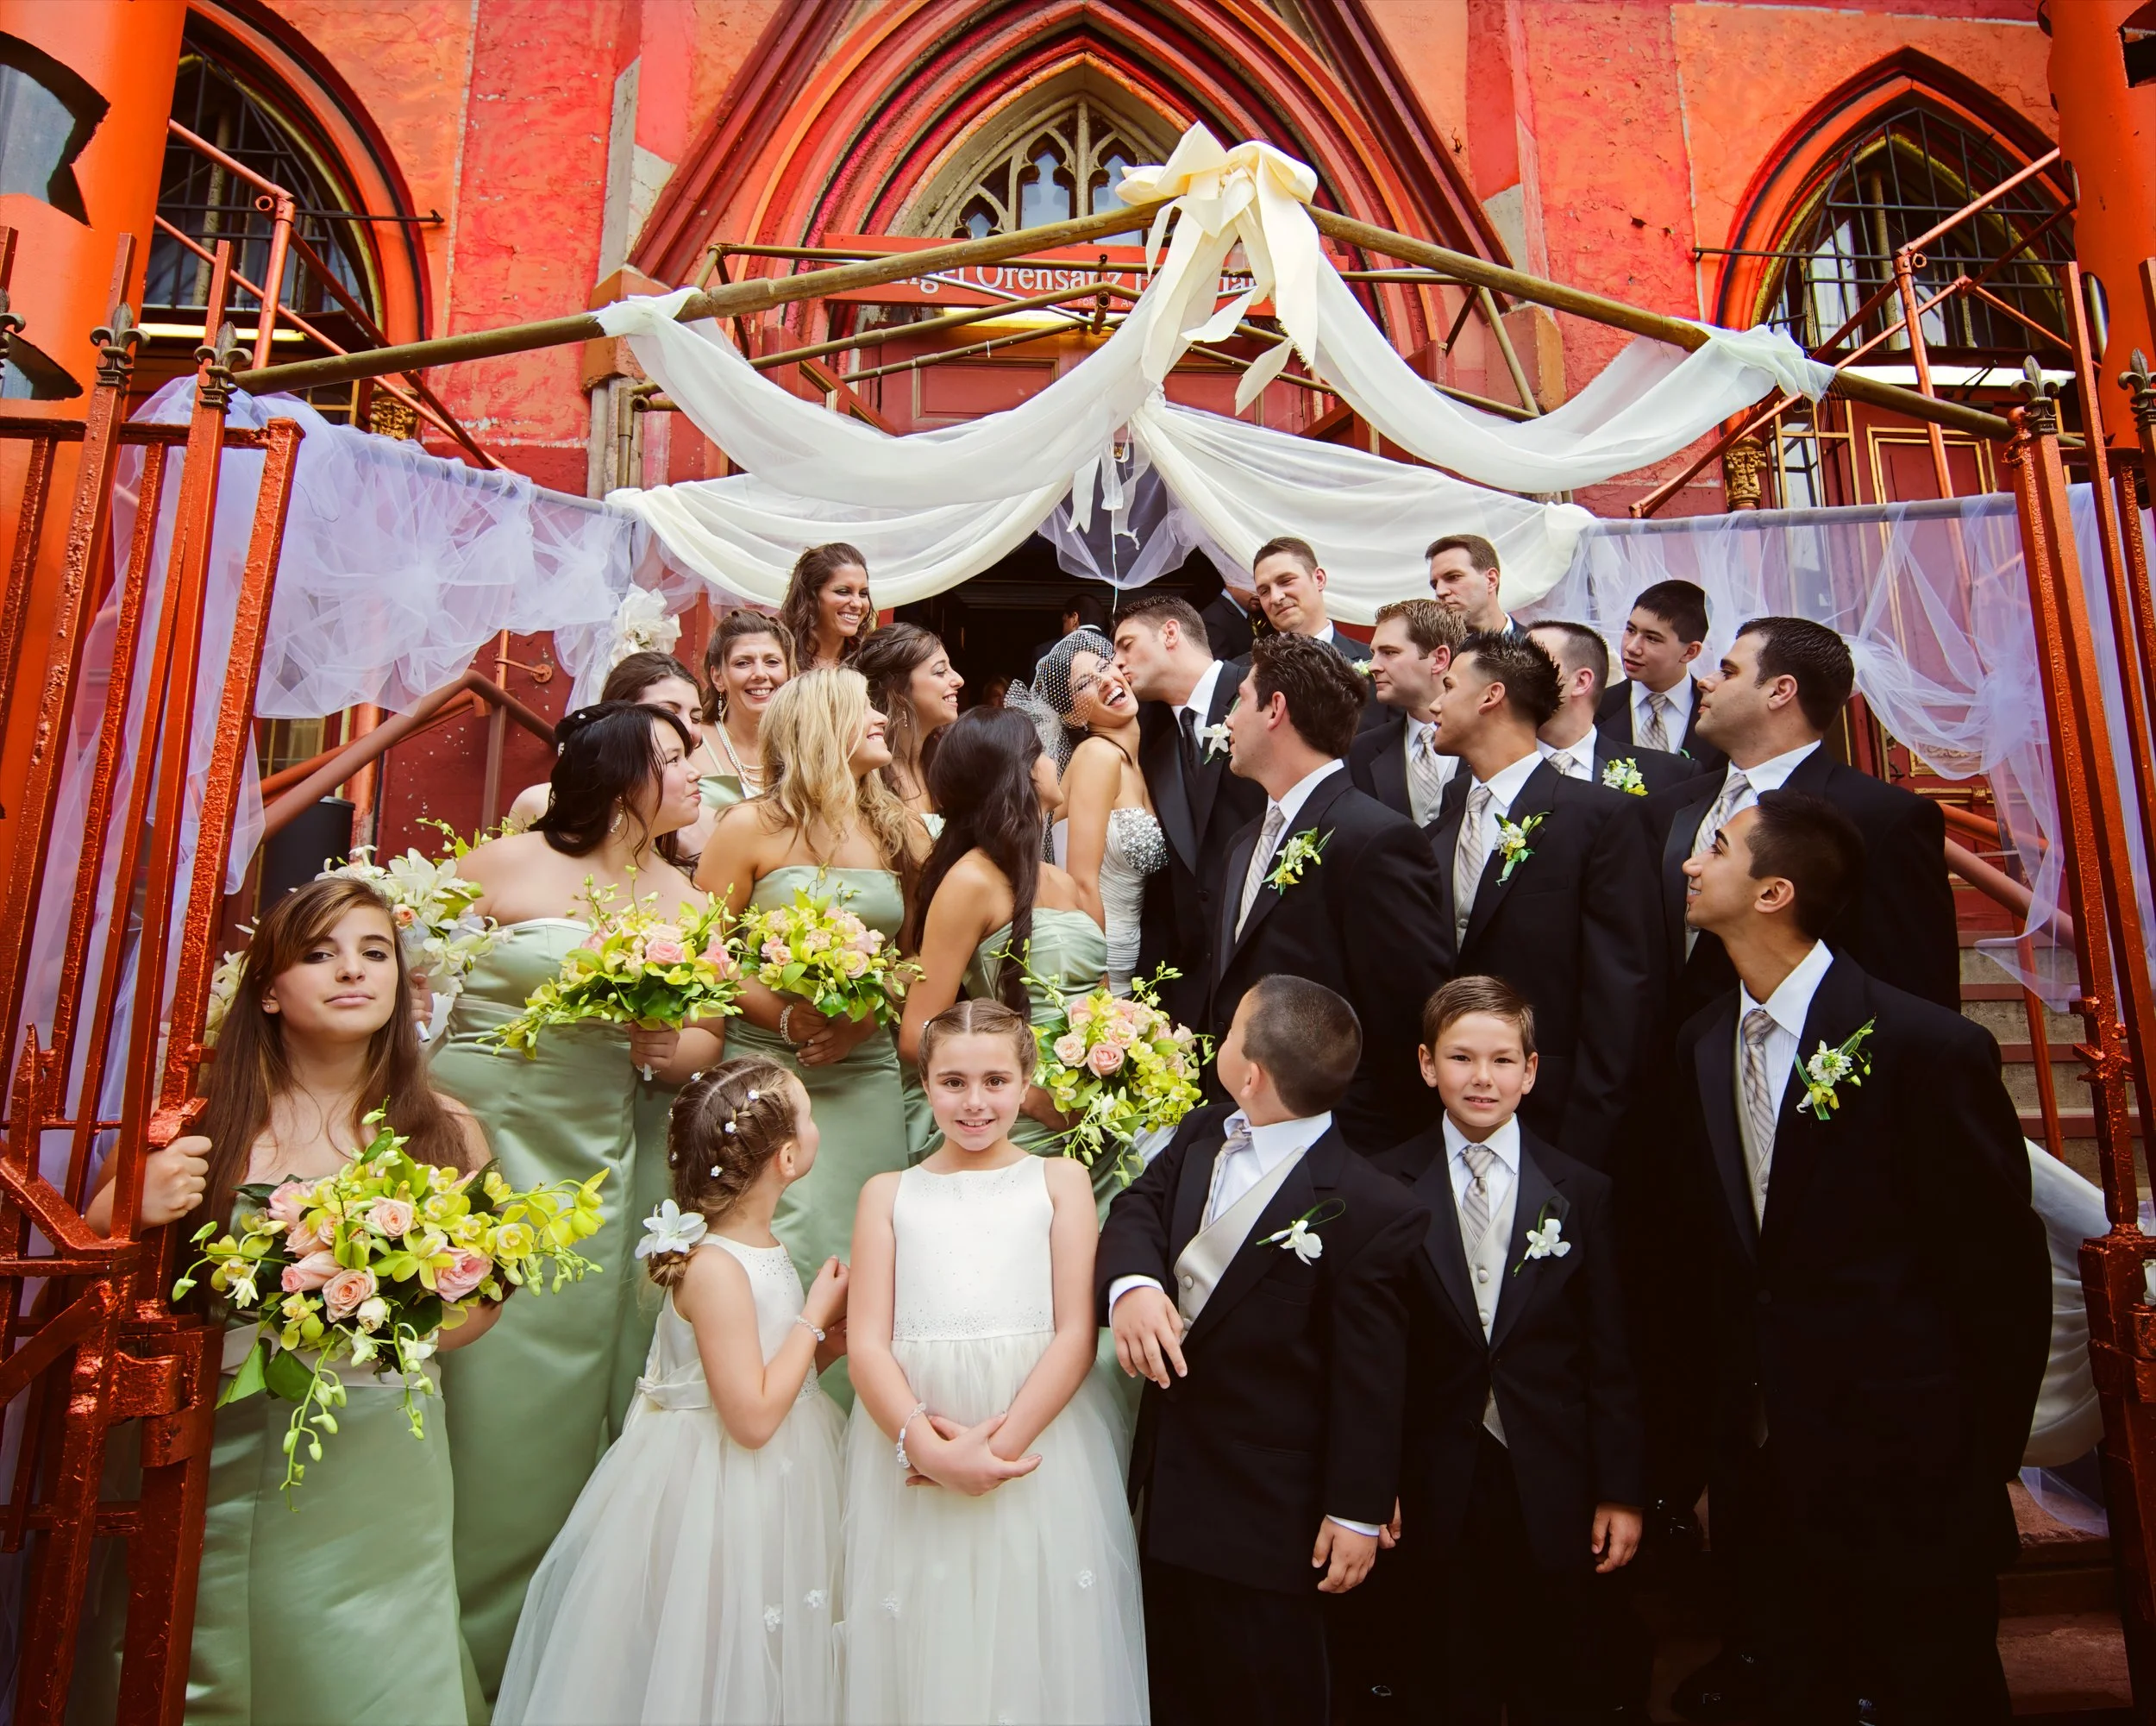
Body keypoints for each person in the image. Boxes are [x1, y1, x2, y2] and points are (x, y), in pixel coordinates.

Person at [77, 878, 498, 1726]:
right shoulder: (206, 1126)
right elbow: (89, 1285)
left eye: (374, 953)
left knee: (370, 1656)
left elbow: (477, 1312)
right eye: (320, 954)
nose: (353, 972)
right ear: (268, 990)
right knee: (210, 1642)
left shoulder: (443, 1128)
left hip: (382, 1447)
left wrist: (389, 1298)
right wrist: (130, 1205)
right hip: (225, 1434)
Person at [1673, 791, 2046, 1723]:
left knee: (1932, 1689)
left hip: (1908, 1461)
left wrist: (1974, 1460)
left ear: (1772, 892)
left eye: (1715, 847)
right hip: (1766, 1463)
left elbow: (1999, 1271)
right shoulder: (1700, 1042)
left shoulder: (1926, 1047)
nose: (1689, 863)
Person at [434, 700, 718, 1693]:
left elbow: (705, 1043)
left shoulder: (686, 902)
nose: (694, 776)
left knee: (545, 1393)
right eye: (675, 759)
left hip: (594, 1161)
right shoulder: (502, 867)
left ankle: (518, 1650)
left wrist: (665, 1046)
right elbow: (408, 987)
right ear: (619, 776)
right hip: (466, 1147)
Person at [1100, 976, 1427, 1726]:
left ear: (1252, 1073)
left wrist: (1357, 1509)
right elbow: (1138, 1206)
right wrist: (1133, 1283)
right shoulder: (1202, 1131)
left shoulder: (1373, 1209)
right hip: (1164, 1488)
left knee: (1263, 1692)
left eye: (1232, 1031)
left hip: (1269, 1517)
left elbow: (1373, 1377)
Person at [493, 1061, 849, 1726]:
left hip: (780, 1482)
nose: (816, 1128)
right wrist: (814, 1317)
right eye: (810, 1115)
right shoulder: (715, 1266)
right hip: (719, 1494)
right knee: (715, 1655)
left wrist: (824, 1348)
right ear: (789, 1155)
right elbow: (748, 1418)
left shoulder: (758, 1246)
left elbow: (769, 1379)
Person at [844, 1000, 1147, 1724]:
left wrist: (994, 1452)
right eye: (952, 1082)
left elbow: (1076, 1333)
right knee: (926, 1624)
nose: (975, 1102)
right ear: (923, 1082)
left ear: (1025, 1080)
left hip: (1032, 1435)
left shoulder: (1060, 1180)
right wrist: (931, 1449)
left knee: (1028, 1627)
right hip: (919, 1433)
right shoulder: (888, 1193)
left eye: (994, 1080)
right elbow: (865, 1343)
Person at [1373, 976, 1643, 1724]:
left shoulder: (1580, 1190)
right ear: (1428, 1064)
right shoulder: (1385, 1187)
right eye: (1461, 1057)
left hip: (1553, 1473)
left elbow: (1609, 1350)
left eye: (1501, 1059)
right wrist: (1371, 1478)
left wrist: (1620, 1486)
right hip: (1431, 1474)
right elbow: (1374, 1356)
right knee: (1443, 1669)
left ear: (1531, 1070)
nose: (1481, 1077)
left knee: (1553, 1671)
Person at [694, 667, 928, 1301]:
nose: (882, 720)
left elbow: (914, 954)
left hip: (865, 1070)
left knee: (865, 1236)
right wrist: (785, 1019)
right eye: (864, 710)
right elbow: (704, 947)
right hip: (769, 1066)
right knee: (779, 1228)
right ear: (821, 727)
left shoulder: (896, 829)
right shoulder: (749, 825)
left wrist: (861, 1021)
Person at [1643, 615, 1959, 1023]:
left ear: (1780, 691)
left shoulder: (1881, 817)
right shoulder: (1666, 807)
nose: (1705, 682)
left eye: (1728, 671)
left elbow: (1919, 989)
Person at [1424, 631, 1657, 1170]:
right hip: (1446, 1119)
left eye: (1450, 685)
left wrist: (1585, 1140)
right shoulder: (1446, 820)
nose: (1435, 703)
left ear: (1491, 696)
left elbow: (1622, 994)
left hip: (1559, 1118)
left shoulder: (1601, 819)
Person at [1210, 633, 1451, 1151]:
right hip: (1242, 1129)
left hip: (1334, 1142)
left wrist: (1351, 1152)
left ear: (1276, 709)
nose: (1228, 720)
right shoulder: (1242, 843)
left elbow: (1406, 1018)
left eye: (1240, 702)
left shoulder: (1377, 840)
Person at [899, 707, 1106, 1161]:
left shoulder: (1064, 882)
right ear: (1024, 772)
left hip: (1097, 1115)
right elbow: (918, 1031)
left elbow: (1103, 1003)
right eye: (1045, 753)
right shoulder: (971, 882)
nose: (1055, 763)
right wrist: (1028, 1097)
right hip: (1021, 1122)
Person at [1112, 594, 1266, 1032]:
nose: (1118, 663)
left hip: (1264, 960)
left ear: (1170, 633)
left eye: (1126, 644)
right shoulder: (1148, 735)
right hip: (1187, 984)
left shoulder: (1256, 691)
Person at [1050, 626, 1164, 995]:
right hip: (1097, 964)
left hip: (1131, 957)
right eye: (1085, 683)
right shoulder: (1097, 757)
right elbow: (1081, 882)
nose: (1104, 681)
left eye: (1105, 666)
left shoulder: (1136, 764)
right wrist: (1095, 980)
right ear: (1072, 717)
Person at [504, 651, 709, 850]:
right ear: (619, 714)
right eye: (668, 712)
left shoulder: (701, 817)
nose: (687, 728)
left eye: (695, 718)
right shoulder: (538, 804)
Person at [1528, 619, 1702, 795]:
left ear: (1581, 681)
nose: (1513, 674)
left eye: (1532, 663)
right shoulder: (1502, 763)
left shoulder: (1667, 774)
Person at [1349, 597, 1467, 825]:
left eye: (1390, 652)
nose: (1373, 666)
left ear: (1439, 659)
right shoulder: (1362, 751)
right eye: (1374, 653)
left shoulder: (1486, 737)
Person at [1595, 578, 1727, 772]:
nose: (1632, 647)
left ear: (1690, 652)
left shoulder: (1720, 718)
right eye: (1631, 630)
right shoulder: (1595, 707)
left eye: (1651, 638)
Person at [856, 621, 964, 819]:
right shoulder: (867, 774)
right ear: (898, 690)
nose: (959, 680)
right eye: (940, 672)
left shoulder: (948, 767)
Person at [697, 607, 796, 812]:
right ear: (717, 678)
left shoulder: (804, 743)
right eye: (743, 663)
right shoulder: (693, 743)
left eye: (772, 662)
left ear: (789, 672)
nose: (760, 673)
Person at [1249, 535, 1372, 664]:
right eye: (1264, 591)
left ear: (1319, 579)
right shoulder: (1243, 674)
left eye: (1285, 581)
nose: (1275, 597)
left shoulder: (1374, 665)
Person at [779, 542, 874, 670]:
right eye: (843, 591)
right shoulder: (777, 660)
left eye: (863, 594)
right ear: (811, 597)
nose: (857, 603)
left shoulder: (871, 663)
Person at [1426, 532, 1519, 637]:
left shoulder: (1537, 647)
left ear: (1491, 580)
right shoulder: (1433, 651)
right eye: (1435, 585)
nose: (1439, 592)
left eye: (1453, 577)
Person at [1030, 590, 1112, 675]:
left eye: (1064, 621)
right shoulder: (1116, 649)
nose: (1063, 630)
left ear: (1075, 618)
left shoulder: (1045, 651)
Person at [1198, 575, 1260, 661]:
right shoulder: (1213, 620)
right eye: (1251, 582)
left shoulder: (1250, 614)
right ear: (1231, 580)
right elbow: (1219, 670)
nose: (1259, 592)